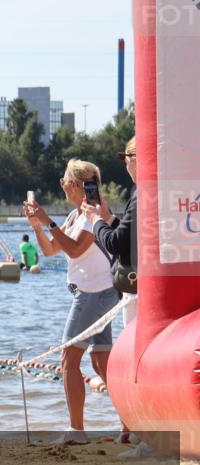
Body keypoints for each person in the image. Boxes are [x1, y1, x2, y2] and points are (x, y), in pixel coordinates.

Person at [22, 159, 125, 445]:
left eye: (64, 182)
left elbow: (77, 250)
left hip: (94, 293)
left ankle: (76, 430)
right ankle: (129, 426)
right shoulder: (74, 216)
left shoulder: (95, 212)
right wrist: (38, 226)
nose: (62, 186)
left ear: (76, 185)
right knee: (101, 362)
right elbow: (52, 249)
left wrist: (48, 221)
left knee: (69, 358)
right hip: (99, 291)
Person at [83, 137, 138, 327]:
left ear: (135, 158)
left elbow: (115, 243)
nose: (125, 165)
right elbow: (130, 235)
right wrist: (107, 218)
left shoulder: (142, 194)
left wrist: (95, 220)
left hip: (136, 286)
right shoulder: (153, 190)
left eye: (125, 159)